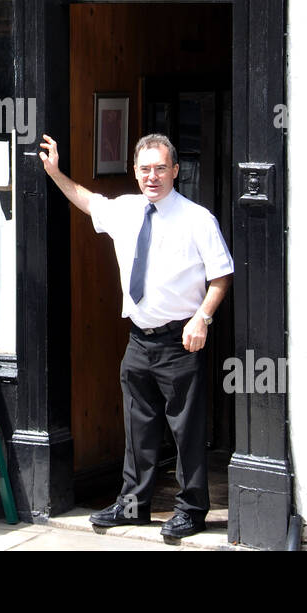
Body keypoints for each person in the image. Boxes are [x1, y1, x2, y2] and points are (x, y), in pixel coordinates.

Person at [40, 131, 233, 540]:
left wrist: (202, 319)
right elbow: (86, 199)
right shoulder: (127, 210)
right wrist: (55, 172)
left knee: (187, 431)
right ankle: (134, 506)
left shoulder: (198, 218)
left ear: (176, 171)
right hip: (139, 340)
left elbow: (221, 276)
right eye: (145, 169)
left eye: (161, 168)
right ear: (135, 171)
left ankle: (192, 511)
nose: (152, 176)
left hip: (181, 342)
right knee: (139, 429)